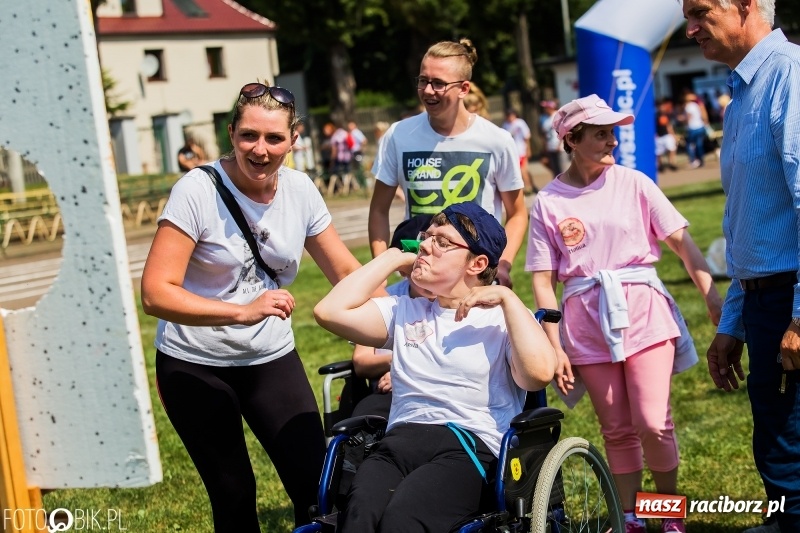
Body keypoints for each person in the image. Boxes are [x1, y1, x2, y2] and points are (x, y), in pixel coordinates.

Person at [140, 83, 366, 531]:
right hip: (194, 364)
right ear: (230, 134)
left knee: (317, 488)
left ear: (294, 140)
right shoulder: (197, 190)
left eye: (273, 138)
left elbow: (345, 271)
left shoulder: (300, 189)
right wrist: (240, 311)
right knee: (234, 493)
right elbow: (155, 292)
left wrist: (413, 317)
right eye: (248, 136)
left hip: (269, 358)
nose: (260, 149)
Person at [526, 94, 723, 533]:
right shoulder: (548, 202)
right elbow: (543, 280)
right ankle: (633, 517)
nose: (611, 141)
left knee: (653, 421)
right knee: (616, 428)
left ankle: (668, 514)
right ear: (571, 140)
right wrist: (553, 344)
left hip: (643, 310)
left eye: (613, 132)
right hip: (584, 323)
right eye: (600, 133)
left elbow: (681, 243)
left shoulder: (634, 183)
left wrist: (711, 295)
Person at [314, 202, 556, 532]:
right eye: (427, 236)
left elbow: (539, 375)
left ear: (478, 263)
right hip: (399, 442)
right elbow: (329, 311)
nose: (425, 244)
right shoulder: (404, 310)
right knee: (358, 520)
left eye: (442, 241)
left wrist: (508, 299)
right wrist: (394, 256)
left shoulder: (503, 319)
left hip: (469, 446)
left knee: (402, 521)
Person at [683, 0, 800, 531]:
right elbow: (745, 223)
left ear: (746, 6)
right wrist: (733, 321)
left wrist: (799, 316)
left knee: (792, 438)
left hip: (790, 296)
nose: (689, 28)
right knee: (776, 433)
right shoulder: (740, 98)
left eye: (700, 10)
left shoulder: (790, 76)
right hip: (761, 297)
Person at [368, 38, 528, 289]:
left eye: (439, 83)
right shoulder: (398, 135)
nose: (428, 90)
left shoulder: (497, 140)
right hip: (418, 281)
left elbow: (517, 213)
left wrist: (504, 265)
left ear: (464, 88)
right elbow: (378, 210)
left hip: (473, 283)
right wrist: (379, 270)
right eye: (423, 80)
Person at [350, 214, 435, 420]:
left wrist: (404, 368)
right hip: (387, 392)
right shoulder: (385, 298)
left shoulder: (454, 299)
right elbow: (361, 361)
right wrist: (398, 364)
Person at [502, 107, 536, 194]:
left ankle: (529, 187)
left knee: (523, 170)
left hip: (521, 150)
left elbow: (526, 137)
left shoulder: (520, 123)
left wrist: (528, 149)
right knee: (520, 170)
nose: (510, 117)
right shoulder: (505, 125)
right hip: (513, 152)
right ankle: (530, 185)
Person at [680, 92, 709, 169]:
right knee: (699, 144)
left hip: (692, 127)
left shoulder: (688, 106)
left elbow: (689, 117)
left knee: (690, 145)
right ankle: (701, 160)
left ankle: (693, 160)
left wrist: (683, 120)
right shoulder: (696, 105)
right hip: (700, 126)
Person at [539, 100, 566, 179]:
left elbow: (563, 131)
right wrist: (545, 146)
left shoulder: (558, 116)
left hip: (559, 147)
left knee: (562, 169)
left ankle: (566, 187)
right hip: (550, 147)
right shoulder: (544, 118)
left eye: (547, 107)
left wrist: (560, 144)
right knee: (554, 169)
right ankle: (558, 187)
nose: (545, 109)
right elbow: (544, 134)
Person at [655, 98, 679, 172]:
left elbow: (669, 126)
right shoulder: (655, 116)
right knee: (659, 152)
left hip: (667, 135)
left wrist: (673, 135)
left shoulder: (667, 115)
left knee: (672, 149)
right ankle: (660, 165)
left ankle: (671, 163)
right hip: (659, 136)